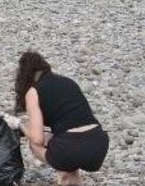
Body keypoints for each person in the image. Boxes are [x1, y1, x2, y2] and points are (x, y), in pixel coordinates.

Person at [12, 51, 109, 186]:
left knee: (35, 144)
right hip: (98, 145)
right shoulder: (68, 82)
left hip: (69, 149)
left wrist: (19, 125)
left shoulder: (33, 92)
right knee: (53, 137)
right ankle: (72, 179)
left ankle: (65, 174)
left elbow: (37, 138)